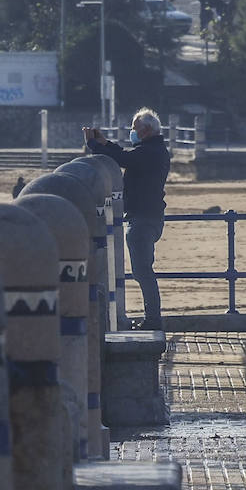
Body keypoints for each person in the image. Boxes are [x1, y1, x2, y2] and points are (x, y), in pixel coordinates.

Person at [83, 108, 172, 331]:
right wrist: (105, 143)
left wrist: (94, 145)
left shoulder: (150, 152)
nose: (132, 132)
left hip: (142, 220)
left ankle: (153, 320)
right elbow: (126, 156)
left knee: (143, 272)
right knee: (143, 270)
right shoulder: (152, 150)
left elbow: (124, 158)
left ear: (146, 130)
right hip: (146, 217)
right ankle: (152, 318)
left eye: (134, 128)